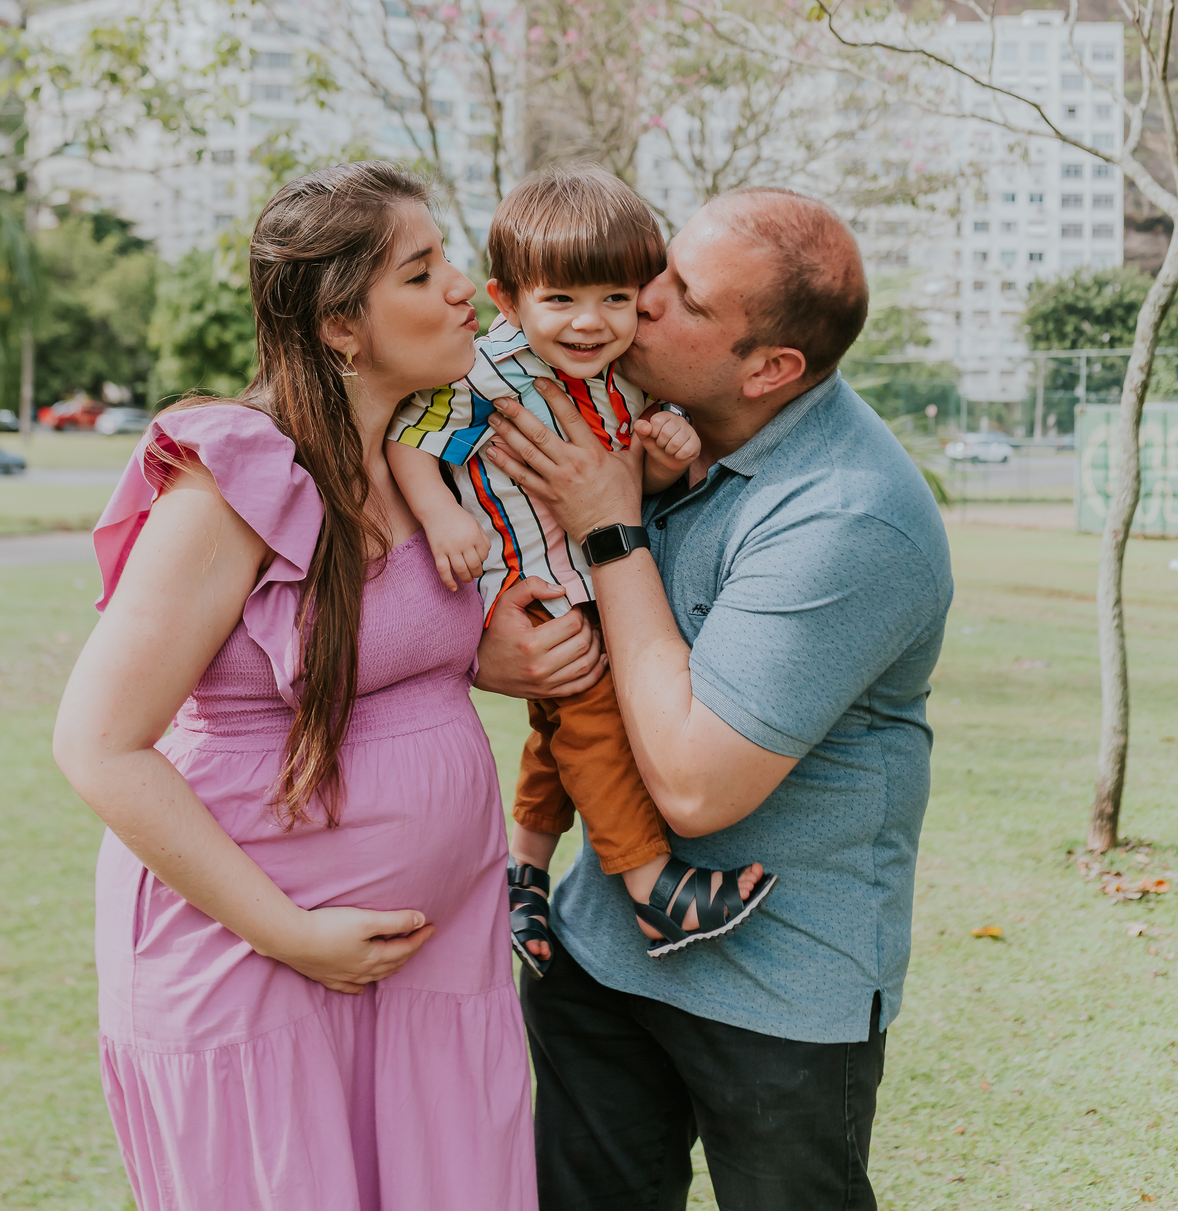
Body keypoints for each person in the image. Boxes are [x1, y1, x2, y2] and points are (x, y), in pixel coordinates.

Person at [52, 161, 601, 1211]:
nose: (462, 288)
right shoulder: (231, 482)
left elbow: (355, 657)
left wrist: (487, 657)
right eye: (421, 270)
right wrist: (286, 930)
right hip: (255, 961)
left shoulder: (413, 458)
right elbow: (98, 741)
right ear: (341, 324)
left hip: (433, 979)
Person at [483, 187, 955, 1211]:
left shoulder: (847, 515)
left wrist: (613, 530)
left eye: (679, 294)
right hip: (599, 955)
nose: (638, 301)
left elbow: (697, 785)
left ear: (771, 368)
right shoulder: (652, 427)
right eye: (662, 267)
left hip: (778, 990)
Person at [386, 167, 774, 973]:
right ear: (508, 300)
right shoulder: (485, 375)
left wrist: (667, 456)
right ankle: (652, 887)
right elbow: (408, 440)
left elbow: (623, 485)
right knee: (596, 718)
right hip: (524, 582)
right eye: (561, 300)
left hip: (591, 576)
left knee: (561, 728)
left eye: (615, 298)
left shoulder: (626, 377)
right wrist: (440, 513)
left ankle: (523, 869)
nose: (590, 322)